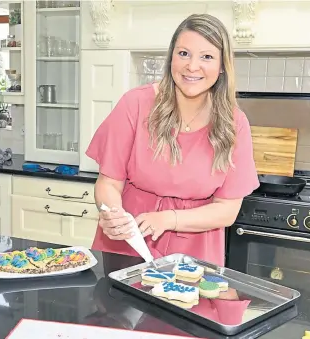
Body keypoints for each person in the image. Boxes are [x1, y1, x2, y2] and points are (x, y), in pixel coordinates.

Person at [85, 13, 259, 267]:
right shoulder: (135, 104)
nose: (192, 66)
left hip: (195, 254)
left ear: (222, 66)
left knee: (188, 308)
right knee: (117, 307)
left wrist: (168, 219)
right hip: (129, 242)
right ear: (171, 58)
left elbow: (227, 210)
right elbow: (108, 183)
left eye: (207, 57)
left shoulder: (235, 123)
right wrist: (111, 214)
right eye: (184, 53)